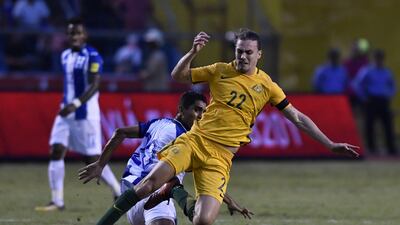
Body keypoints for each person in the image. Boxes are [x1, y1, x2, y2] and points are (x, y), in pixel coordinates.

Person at [92, 28, 359, 225]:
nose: (242, 56)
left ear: (259, 55)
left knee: (204, 221)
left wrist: (329, 144)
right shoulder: (219, 69)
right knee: (148, 184)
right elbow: (178, 76)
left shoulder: (267, 86)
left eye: (248, 52)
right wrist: (193, 53)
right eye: (239, 51)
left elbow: (298, 117)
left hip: (221, 158)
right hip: (196, 140)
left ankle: (172, 189)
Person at [78, 91, 252, 225]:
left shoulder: (158, 123)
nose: (200, 116)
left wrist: (101, 164)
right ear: (181, 110)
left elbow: (120, 132)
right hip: (152, 191)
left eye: (204, 112)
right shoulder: (186, 138)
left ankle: (173, 191)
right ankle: (172, 191)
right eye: (197, 110)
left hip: (130, 192)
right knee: (175, 190)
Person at [35, 18, 120, 211]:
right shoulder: (65, 55)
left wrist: (75, 104)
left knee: (92, 159)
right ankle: (57, 201)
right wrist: (68, 103)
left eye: (77, 33)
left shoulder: (93, 56)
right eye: (71, 33)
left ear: (84, 36)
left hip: (84, 113)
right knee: (56, 150)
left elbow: (94, 84)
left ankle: (118, 190)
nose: (74, 36)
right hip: (66, 111)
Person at [352, 49, 397, 155]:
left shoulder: (386, 71)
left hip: (383, 100)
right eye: (377, 58)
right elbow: (357, 84)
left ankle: (391, 148)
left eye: (381, 58)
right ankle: (372, 148)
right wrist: (363, 97)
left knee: (388, 125)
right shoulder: (367, 71)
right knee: (370, 125)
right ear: (374, 59)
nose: (379, 60)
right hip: (371, 100)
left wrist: (389, 94)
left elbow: (392, 85)